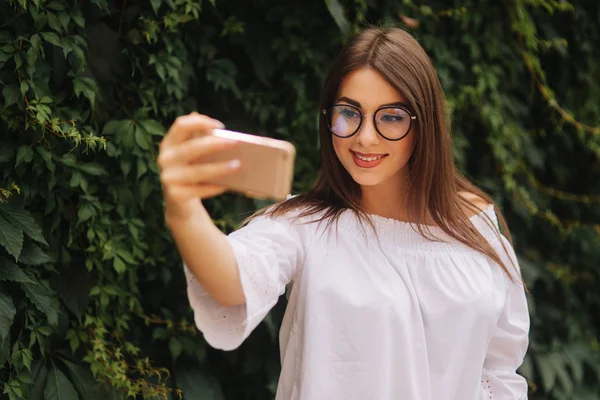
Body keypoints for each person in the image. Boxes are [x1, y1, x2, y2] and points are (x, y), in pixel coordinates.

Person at [158, 27, 530, 400]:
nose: (365, 137)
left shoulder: (476, 224)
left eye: (392, 117)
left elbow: (498, 372)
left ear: (424, 124)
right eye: (349, 113)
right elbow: (231, 281)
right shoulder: (303, 226)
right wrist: (184, 212)